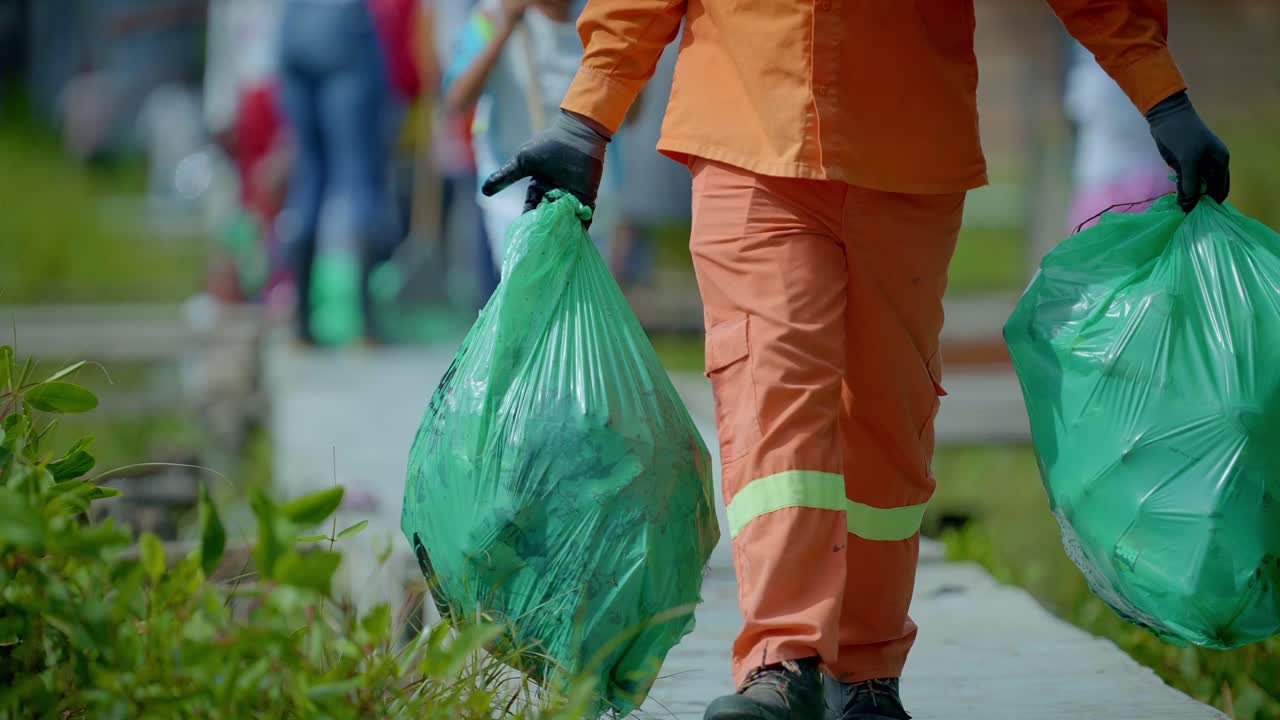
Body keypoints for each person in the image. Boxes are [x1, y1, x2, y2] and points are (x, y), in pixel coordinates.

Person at [482, 2, 1231, 719]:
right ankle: (782, 661)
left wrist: (1160, 95)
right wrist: (587, 117)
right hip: (749, 136)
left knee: (886, 424)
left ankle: (868, 670)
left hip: (907, 154)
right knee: (774, 395)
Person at [440, 0, 621, 271]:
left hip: (589, 193)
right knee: (528, 301)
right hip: (515, 193)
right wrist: (505, 28)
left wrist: (619, 59)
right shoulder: (491, 16)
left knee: (580, 307)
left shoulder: (602, 15)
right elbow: (457, 100)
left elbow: (632, 112)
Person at [277, 0, 399, 344]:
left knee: (308, 175)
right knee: (359, 173)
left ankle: (300, 325)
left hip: (293, 30)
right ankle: (366, 327)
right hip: (343, 29)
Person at [1064, 40, 1176, 231]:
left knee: (1097, 256)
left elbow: (1076, 110)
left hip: (1104, 181)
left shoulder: (1092, 78)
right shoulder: (1159, 66)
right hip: (1154, 179)